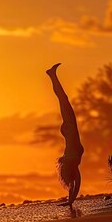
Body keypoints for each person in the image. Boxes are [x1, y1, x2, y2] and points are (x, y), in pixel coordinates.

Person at [46, 63, 84, 207]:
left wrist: (71, 200)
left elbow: (76, 184)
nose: (71, 179)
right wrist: (70, 200)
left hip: (70, 129)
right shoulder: (73, 164)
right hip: (70, 130)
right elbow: (76, 184)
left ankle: (52, 75)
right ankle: (52, 75)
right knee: (63, 99)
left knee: (63, 99)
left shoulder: (72, 162)